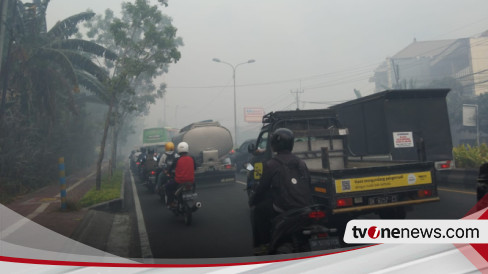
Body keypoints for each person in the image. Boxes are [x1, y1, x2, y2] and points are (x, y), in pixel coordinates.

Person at [248, 128, 313, 255]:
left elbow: (262, 188)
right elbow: (308, 184)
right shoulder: (301, 162)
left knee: (258, 210)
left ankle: (263, 244)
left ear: (274, 145)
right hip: (306, 207)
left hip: (284, 207)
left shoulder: (271, 164)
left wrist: (253, 200)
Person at [164, 142, 196, 207]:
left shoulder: (176, 159)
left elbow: (170, 169)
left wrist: (168, 172)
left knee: (167, 186)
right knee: (194, 185)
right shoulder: (192, 158)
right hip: (191, 181)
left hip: (179, 181)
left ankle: (171, 202)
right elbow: (195, 167)